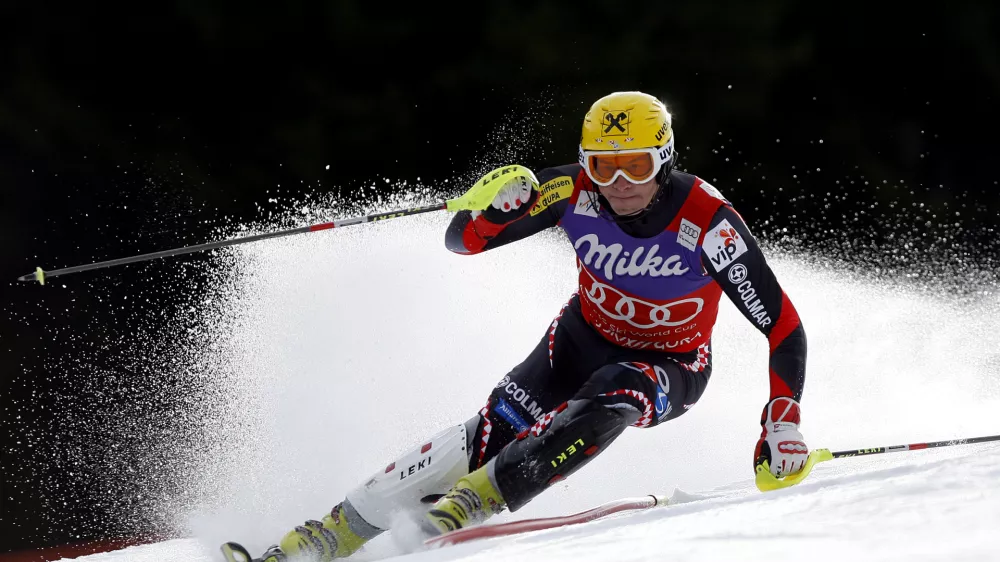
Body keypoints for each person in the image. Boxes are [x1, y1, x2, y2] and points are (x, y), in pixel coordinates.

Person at [222, 91, 809, 562]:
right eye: (605, 166)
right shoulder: (568, 191)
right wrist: (491, 211)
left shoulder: (709, 221)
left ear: (665, 159)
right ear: (587, 164)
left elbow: (782, 326)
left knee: (617, 395)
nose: (621, 182)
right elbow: (461, 242)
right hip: (579, 341)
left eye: (637, 164)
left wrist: (782, 419)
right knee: (492, 431)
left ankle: (465, 507)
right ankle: (321, 539)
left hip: (671, 364)